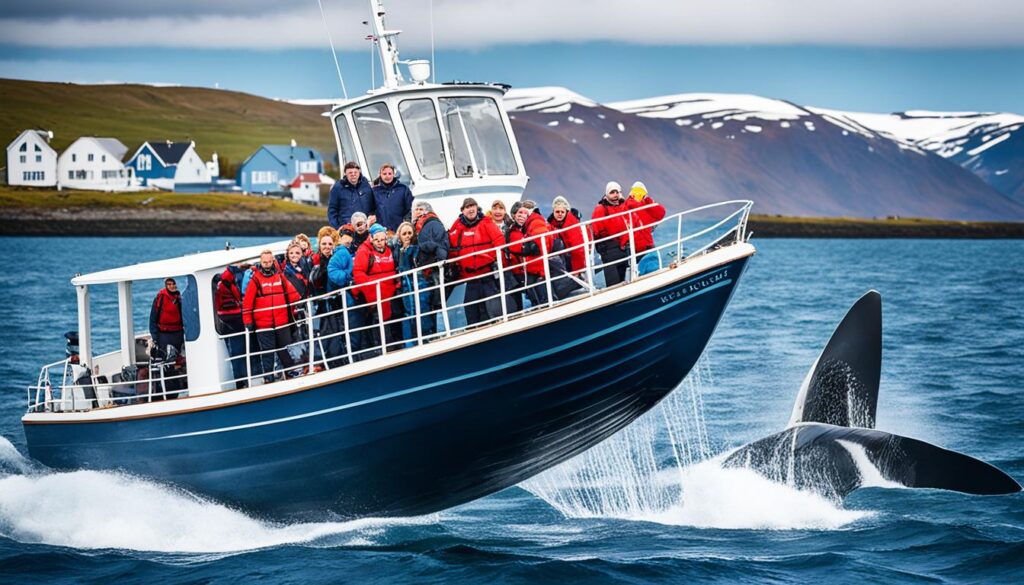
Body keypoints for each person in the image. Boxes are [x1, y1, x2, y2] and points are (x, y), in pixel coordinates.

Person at [242, 250, 302, 383]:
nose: (267, 264)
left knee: (286, 349)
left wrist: (300, 304)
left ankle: (290, 372)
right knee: (267, 353)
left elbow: (292, 294)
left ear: (273, 261)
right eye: (265, 262)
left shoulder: (280, 277)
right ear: (261, 262)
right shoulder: (255, 280)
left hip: (282, 322)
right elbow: (247, 303)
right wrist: (248, 322)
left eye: (270, 261)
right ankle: (268, 377)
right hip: (263, 325)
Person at [448, 197, 505, 325]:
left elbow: (499, 241)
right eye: (467, 207)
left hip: (487, 276)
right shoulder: (457, 227)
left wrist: (497, 261)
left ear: (477, 208)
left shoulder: (486, 222)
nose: (471, 209)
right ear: (462, 210)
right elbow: (452, 248)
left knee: (492, 310)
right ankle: (475, 330)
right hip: (470, 279)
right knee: (471, 310)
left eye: (473, 206)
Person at [353, 224, 402, 356]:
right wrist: (373, 290)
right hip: (375, 294)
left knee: (395, 317)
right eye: (377, 240)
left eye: (382, 239)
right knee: (379, 321)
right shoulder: (364, 251)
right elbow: (358, 273)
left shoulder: (389, 250)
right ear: (371, 239)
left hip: (391, 293)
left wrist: (397, 284)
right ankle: (383, 349)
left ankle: (397, 345)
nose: (380, 243)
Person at [506, 204, 555, 308]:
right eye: (519, 213)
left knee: (542, 299)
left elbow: (541, 245)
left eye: (524, 213)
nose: (521, 216)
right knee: (535, 297)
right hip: (526, 271)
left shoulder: (534, 223)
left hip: (536, 270)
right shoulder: (515, 230)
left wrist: (523, 248)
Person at [412, 202, 448, 336]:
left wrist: (430, 249)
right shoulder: (417, 227)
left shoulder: (432, 224)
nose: (417, 212)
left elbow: (441, 245)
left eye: (420, 209)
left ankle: (438, 332)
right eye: (416, 209)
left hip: (433, 270)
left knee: (436, 302)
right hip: (425, 272)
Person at [392, 221, 431, 344]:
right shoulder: (397, 251)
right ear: (400, 236)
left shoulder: (417, 248)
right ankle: (412, 341)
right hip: (406, 285)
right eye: (404, 233)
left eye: (410, 233)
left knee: (422, 309)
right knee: (409, 312)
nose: (407, 236)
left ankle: (426, 336)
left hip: (419, 283)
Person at [590, 181, 631, 287]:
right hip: (609, 249)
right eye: (612, 192)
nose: (615, 195)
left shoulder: (623, 207)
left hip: (623, 248)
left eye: (617, 192)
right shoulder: (600, 209)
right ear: (607, 194)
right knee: (613, 284)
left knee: (623, 280)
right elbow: (596, 231)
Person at [214, 267, 247, 389]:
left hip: (225, 322)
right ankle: (240, 380)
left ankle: (240, 379)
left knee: (235, 352)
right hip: (234, 321)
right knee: (238, 352)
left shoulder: (221, 285)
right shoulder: (228, 284)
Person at [328, 161, 375, 229]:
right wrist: (337, 228)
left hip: (365, 228)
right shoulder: (338, 187)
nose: (353, 174)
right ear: (345, 173)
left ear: (359, 173)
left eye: (355, 172)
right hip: (346, 229)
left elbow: (373, 206)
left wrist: (371, 221)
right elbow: (332, 210)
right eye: (350, 173)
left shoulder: (367, 186)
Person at [547, 195, 587, 274]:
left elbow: (577, 249)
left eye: (562, 212)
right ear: (553, 212)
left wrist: (577, 271)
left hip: (573, 261)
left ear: (566, 212)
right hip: (564, 259)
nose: (560, 214)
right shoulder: (551, 225)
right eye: (557, 212)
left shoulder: (571, 224)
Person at [625, 181, 667, 254]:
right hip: (636, 246)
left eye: (641, 193)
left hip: (647, 243)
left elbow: (661, 213)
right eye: (636, 192)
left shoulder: (646, 205)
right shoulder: (627, 206)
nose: (638, 194)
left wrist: (649, 201)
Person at [372, 163, 414, 232]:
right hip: (381, 232)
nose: (387, 176)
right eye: (384, 174)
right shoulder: (374, 191)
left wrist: (406, 224)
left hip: (400, 230)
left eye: (389, 173)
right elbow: (371, 211)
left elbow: (410, 209)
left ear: (393, 174)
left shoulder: (403, 189)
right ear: (380, 175)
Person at [149, 277, 185, 354]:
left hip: (178, 332)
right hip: (164, 334)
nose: (172, 286)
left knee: (177, 356)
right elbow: (153, 317)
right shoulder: (160, 297)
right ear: (166, 286)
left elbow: (184, 316)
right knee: (165, 356)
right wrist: (154, 336)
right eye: (169, 284)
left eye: (173, 284)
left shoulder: (179, 298)